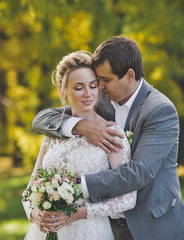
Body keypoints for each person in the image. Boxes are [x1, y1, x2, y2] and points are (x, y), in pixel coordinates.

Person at [32, 36, 184, 240]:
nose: (98, 88)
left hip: (153, 226)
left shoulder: (159, 110)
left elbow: (138, 172)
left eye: (105, 80)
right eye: (97, 81)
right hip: (108, 228)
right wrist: (81, 126)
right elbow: (43, 118)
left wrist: (72, 186)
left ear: (129, 76)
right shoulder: (102, 100)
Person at [22, 50, 136, 240]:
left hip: (90, 232)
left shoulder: (111, 133)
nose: (88, 94)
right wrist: (35, 214)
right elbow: (29, 189)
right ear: (62, 91)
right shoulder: (54, 135)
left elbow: (128, 199)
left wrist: (79, 213)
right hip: (47, 233)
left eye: (93, 86)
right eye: (78, 87)